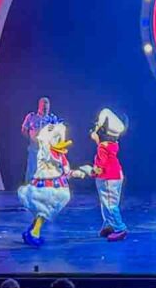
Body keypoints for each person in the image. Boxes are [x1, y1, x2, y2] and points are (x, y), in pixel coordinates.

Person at [17, 117, 88, 247]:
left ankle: (31, 231)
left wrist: (76, 173)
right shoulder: (45, 154)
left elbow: (65, 171)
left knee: (42, 212)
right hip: (45, 188)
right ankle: (34, 233)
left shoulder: (60, 157)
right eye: (57, 140)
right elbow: (46, 150)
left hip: (55, 186)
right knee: (43, 211)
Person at [85, 108, 128, 241]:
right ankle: (108, 225)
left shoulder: (103, 147)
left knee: (110, 204)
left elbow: (100, 168)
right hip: (113, 176)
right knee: (106, 203)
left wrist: (87, 171)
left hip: (109, 178)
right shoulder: (111, 144)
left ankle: (120, 228)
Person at [21, 97, 56, 184]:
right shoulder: (31, 117)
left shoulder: (52, 118)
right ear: (39, 106)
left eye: (47, 108)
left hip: (46, 150)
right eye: (43, 107)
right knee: (32, 169)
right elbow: (24, 129)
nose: (45, 109)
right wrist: (31, 139)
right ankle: (29, 188)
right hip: (34, 148)